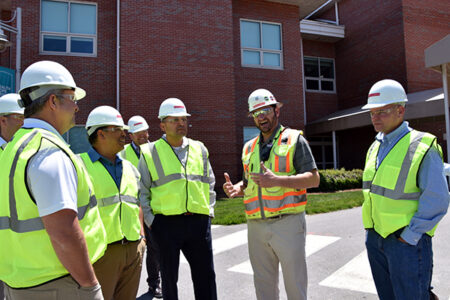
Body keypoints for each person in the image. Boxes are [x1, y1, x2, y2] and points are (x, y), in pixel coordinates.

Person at [0, 60, 107, 300]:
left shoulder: (15, 147)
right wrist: (90, 287)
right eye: (73, 99)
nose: (77, 108)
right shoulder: (49, 152)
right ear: (53, 101)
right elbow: (63, 232)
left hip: (21, 281)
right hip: (59, 282)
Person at [223, 88, 320, 300]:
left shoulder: (295, 139)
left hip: (288, 223)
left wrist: (278, 180)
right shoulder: (249, 147)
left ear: (276, 111)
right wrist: (238, 188)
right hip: (256, 226)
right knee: (263, 287)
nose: (261, 117)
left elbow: (314, 179)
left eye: (265, 110)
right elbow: (250, 181)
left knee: (295, 287)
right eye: (256, 114)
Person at [361, 79, 449, 300]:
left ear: (400, 110)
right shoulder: (375, 146)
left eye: (381, 111)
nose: (375, 118)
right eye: (372, 112)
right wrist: (371, 236)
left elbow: (437, 199)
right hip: (376, 239)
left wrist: (409, 236)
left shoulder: (422, 146)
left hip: (406, 243)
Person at [139, 98, 217, 300]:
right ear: (162, 125)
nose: (181, 123)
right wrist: (152, 222)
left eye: (183, 119)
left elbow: (209, 181)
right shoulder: (149, 151)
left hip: (198, 223)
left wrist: (209, 211)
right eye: (174, 119)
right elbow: (142, 191)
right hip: (165, 224)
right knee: (169, 278)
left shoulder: (199, 148)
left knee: (206, 277)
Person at [79, 106, 145, 300]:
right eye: (117, 130)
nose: (124, 134)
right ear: (100, 133)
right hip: (100, 254)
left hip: (133, 250)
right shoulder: (78, 166)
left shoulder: (131, 168)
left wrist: (141, 237)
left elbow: (136, 203)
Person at [121, 115, 163, 299]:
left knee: (155, 248)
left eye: (145, 131)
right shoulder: (122, 153)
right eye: (138, 133)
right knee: (132, 248)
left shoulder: (156, 150)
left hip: (152, 206)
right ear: (130, 135)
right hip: (131, 208)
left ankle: (155, 284)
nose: (143, 136)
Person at [0, 93, 24, 300]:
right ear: (2, 119)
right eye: (20, 118)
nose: (24, 123)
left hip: (19, 243)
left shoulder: (22, 150)